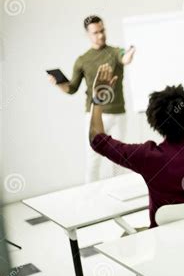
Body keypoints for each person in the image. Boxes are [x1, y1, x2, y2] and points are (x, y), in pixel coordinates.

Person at [89, 64, 184, 229]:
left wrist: (98, 98)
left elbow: (97, 140)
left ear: (154, 120)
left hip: (165, 245)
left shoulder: (148, 157)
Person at [48, 15, 136, 183]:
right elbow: (71, 88)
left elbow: (124, 58)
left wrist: (130, 53)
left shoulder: (116, 51)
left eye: (102, 30)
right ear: (88, 35)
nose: (101, 35)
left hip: (118, 114)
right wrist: (58, 83)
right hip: (94, 115)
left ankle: (119, 194)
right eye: (96, 32)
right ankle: (91, 198)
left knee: (119, 160)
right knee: (93, 159)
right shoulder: (82, 60)